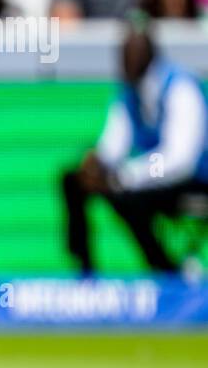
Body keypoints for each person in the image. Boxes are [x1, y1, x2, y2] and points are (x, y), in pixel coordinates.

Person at [61, 25, 208, 275]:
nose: (127, 60)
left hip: (194, 182)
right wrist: (96, 164)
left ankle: (165, 267)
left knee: (129, 197)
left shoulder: (180, 88)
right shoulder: (130, 92)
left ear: (151, 54)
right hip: (153, 180)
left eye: (134, 52)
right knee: (72, 180)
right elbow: (114, 144)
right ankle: (84, 270)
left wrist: (127, 176)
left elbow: (180, 160)